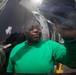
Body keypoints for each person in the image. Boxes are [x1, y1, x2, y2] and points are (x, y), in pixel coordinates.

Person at [6, 20, 76, 74]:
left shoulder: (51, 45)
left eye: (38, 27)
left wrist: (70, 39)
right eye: (31, 28)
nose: (36, 30)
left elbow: (72, 61)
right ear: (25, 33)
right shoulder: (16, 49)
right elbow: (10, 71)